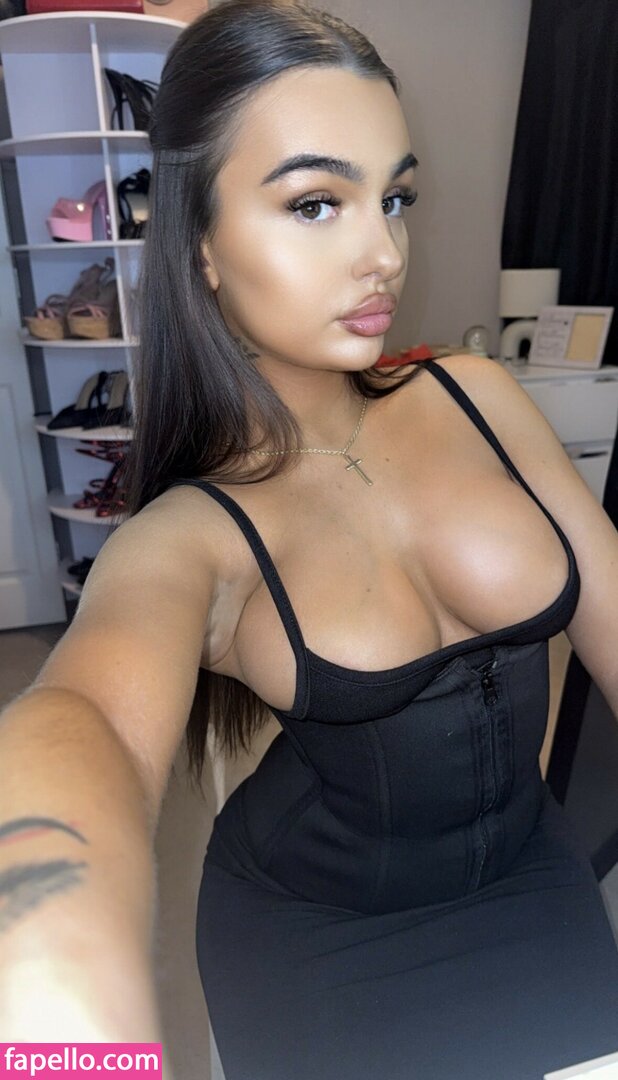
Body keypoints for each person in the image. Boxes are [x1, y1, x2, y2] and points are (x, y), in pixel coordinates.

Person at [1, 0, 617, 1076]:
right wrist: (57, 995)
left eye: (395, 198)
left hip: (535, 880)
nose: (384, 253)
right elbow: (84, 718)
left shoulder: (474, 393)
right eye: (317, 203)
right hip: (319, 945)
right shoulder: (191, 536)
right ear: (201, 243)